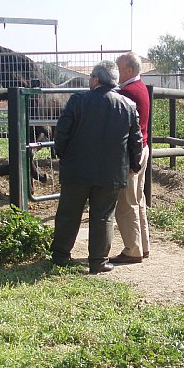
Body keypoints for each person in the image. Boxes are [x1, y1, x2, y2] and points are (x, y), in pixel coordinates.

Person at [50, 60, 143, 274]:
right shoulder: (128, 106)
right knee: (103, 216)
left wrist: (63, 156)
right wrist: (134, 164)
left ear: (96, 79)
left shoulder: (77, 101)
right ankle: (98, 261)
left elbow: (61, 133)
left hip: (76, 170)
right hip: (111, 173)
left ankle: (60, 256)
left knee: (68, 214)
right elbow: (135, 140)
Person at [109, 52, 152, 265]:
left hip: (130, 153)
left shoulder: (127, 93)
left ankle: (132, 249)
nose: (116, 72)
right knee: (138, 199)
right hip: (142, 148)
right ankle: (143, 246)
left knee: (126, 204)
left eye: (118, 67)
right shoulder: (141, 88)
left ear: (128, 70)